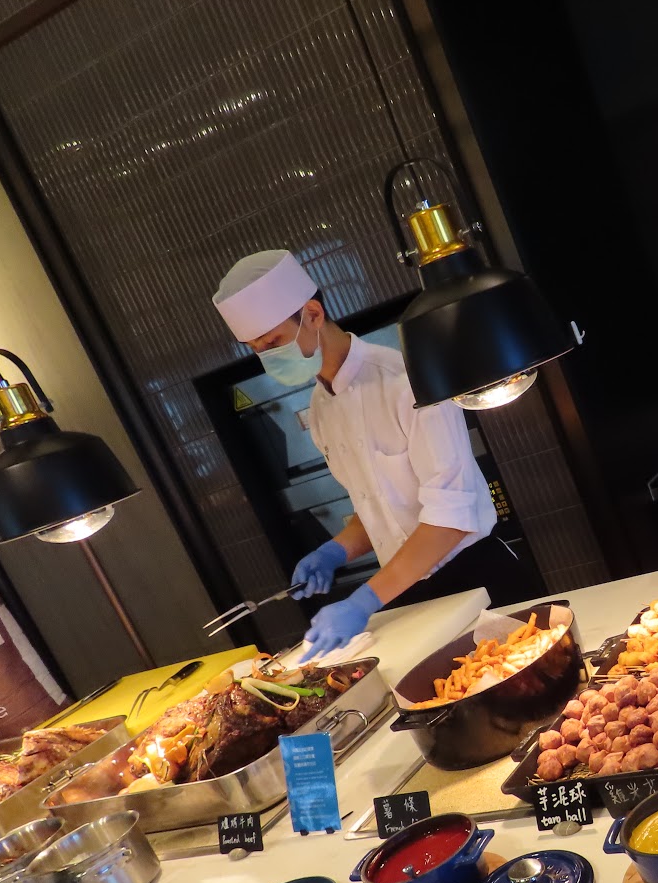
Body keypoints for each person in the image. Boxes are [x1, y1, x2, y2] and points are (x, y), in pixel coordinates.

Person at [212, 250, 519, 657]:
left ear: (313, 314)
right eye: (257, 349)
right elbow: (377, 506)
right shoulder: (321, 410)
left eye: (273, 343)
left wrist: (363, 601)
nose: (268, 358)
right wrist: (334, 551)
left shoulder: (405, 380)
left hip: (477, 577)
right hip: (406, 590)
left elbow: (451, 518)